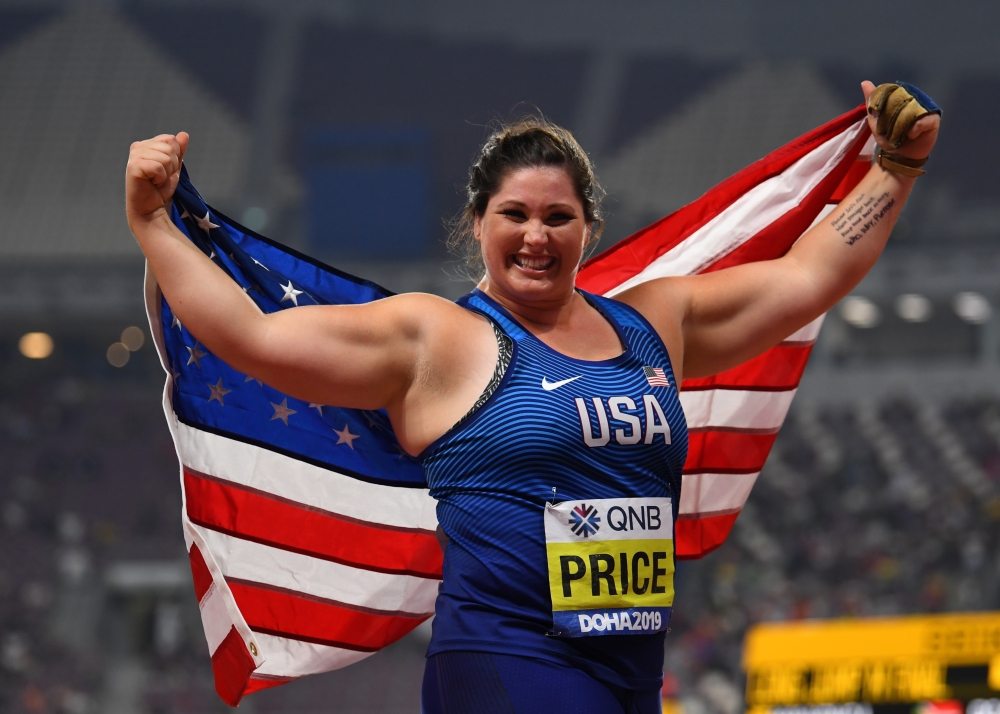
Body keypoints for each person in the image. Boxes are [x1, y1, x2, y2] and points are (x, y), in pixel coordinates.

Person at [126, 81, 940, 714]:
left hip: (629, 661)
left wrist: (895, 169)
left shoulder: (659, 321)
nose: (536, 235)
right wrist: (155, 225)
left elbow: (809, 276)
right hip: (506, 658)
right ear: (476, 223)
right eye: (514, 214)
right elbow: (253, 337)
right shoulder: (436, 339)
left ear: (589, 227)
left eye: (560, 216)